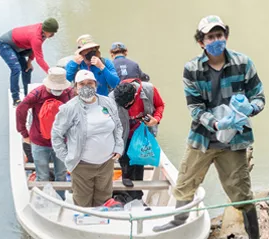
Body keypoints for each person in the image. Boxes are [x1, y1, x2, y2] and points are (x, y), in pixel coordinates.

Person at [153, 16, 266, 239]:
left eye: (220, 35)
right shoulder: (192, 69)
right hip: (203, 137)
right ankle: (178, 220)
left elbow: (259, 96)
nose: (216, 41)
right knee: (184, 181)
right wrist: (215, 123)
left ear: (226, 36)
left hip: (235, 140)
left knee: (242, 193)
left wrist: (250, 108)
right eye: (210, 37)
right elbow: (194, 107)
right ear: (201, 42)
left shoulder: (243, 63)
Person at [51, 69, 124, 208]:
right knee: (82, 202)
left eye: (90, 83)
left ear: (96, 85)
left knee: (104, 199)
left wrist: (118, 147)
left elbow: (118, 126)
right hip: (82, 165)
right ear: (76, 88)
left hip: (106, 163)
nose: (86, 87)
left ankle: (102, 225)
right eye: (82, 84)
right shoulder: (69, 108)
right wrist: (67, 158)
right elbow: (56, 135)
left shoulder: (108, 103)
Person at [15, 67, 75, 196]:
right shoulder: (37, 94)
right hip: (40, 142)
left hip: (61, 142)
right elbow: (20, 109)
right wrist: (24, 133)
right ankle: (44, 201)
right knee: (42, 175)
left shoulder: (69, 93)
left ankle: (61, 200)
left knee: (61, 174)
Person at [111, 75, 164, 200]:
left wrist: (155, 119)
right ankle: (126, 183)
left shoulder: (149, 90)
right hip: (123, 134)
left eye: (127, 105)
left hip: (141, 132)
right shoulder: (112, 97)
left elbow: (160, 105)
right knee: (125, 160)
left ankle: (137, 194)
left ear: (135, 96)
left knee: (139, 160)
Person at [0, 17, 58, 104]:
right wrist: (50, 73)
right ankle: (15, 98)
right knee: (16, 69)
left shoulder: (42, 33)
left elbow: (34, 48)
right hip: (4, 44)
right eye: (52, 33)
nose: (53, 35)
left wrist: (29, 62)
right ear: (47, 30)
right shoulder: (36, 37)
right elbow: (39, 59)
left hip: (17, 46)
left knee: (27, 69)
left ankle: (27, 95)